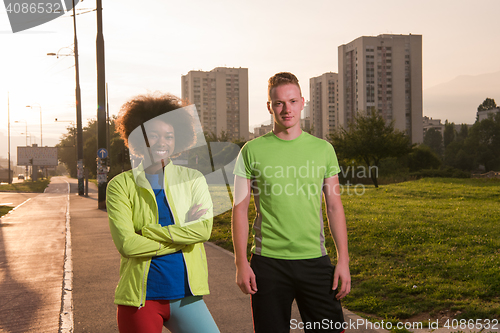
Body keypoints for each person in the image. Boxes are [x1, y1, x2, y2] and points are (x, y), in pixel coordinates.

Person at [232, 72, 351, 333]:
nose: (287, 109)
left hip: (315, 260)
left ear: (302, 102)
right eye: (279, 103)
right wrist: (241, 262)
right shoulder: (251, 151)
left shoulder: (323, 149)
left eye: (293, 101)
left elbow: (334, 206)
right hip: (268, 263)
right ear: (269, 106)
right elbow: (239, 209)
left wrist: (343, 260)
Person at [107, 92, 220, 333]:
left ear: (177, 139)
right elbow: (127, 244)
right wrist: (180, 239)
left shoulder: (193, 179)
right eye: (153, 135)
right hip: (140, 299)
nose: (162, 142)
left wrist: (149, 233)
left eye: (169, 136)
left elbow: (203, 229)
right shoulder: (120, 185)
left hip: (187, 295)